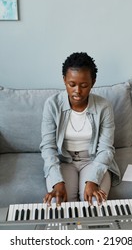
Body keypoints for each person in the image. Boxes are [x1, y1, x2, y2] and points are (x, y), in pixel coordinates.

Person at [40, 52, 120, 206]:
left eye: (84, 85)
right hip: (63, 161)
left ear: (93, 82)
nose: (77, 90)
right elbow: (48, 146)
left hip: (93, 160)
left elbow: (106, 149)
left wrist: (93, 180)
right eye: (72, 84)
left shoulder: (104, 106)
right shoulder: (52, 105)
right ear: (64, 80)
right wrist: (57, 181)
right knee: (60, 202)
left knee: (94, 202)